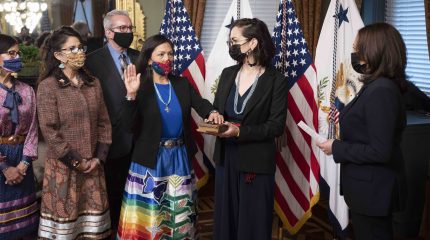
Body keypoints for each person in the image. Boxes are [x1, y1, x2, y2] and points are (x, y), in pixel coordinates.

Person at [116, 34, 223, 239]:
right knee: (151, 213)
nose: (168, 58)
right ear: (149, 59)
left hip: (179, 156)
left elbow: (201, 104)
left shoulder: (181, 84)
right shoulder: (141, 85)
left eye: (170, 54)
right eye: (161, 54)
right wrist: (131, 95)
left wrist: (212, 112)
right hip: (150, 159)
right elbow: (127, 126)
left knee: (179, 211)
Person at [317, 22, 408, 240]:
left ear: (374, 51)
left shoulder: (381, 91)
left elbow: (380, 151)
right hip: (367, 190)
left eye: (358, 49)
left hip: (374, 192)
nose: (355, 54)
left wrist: (337, 147)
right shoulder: (377, 85)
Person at [211, 18, 288, 240]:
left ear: (252, 43)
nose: (231, 45)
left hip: (256, 160)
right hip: (226, 156)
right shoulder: (227, 74)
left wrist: (240, 132)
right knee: (226, 220)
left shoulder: (277, 80)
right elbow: (218, 109)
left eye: (235, 40)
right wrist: (214, 115)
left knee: (252, 223)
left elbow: (276, 126)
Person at [37, 26, 112, 239]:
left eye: (80, 47)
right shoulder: (48, 86)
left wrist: (98, 158)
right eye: (71, 49)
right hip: (64, 168)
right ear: (58, 55)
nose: (78, 52)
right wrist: (77, 161)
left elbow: (104, 123)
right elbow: (49, 131)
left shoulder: (93, 83)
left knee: (93, 229)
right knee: (66, 229)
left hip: (93, 167)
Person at [85, 10, 139, 228]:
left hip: (139, 138)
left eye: (129, 28)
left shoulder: (139, 57)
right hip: (110, 141)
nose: (127, 32)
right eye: (122, 28)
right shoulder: (92, 61)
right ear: (108, 32)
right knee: (114, 197)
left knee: (139, 197)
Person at [0, 34, 39, 240]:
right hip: (1, 160)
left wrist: (24, 164)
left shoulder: (27, 90)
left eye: (18, 53)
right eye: (11, 53)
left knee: (26, 228)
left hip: (23, 157)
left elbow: (33, 128)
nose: (16, 57)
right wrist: (5, 168)